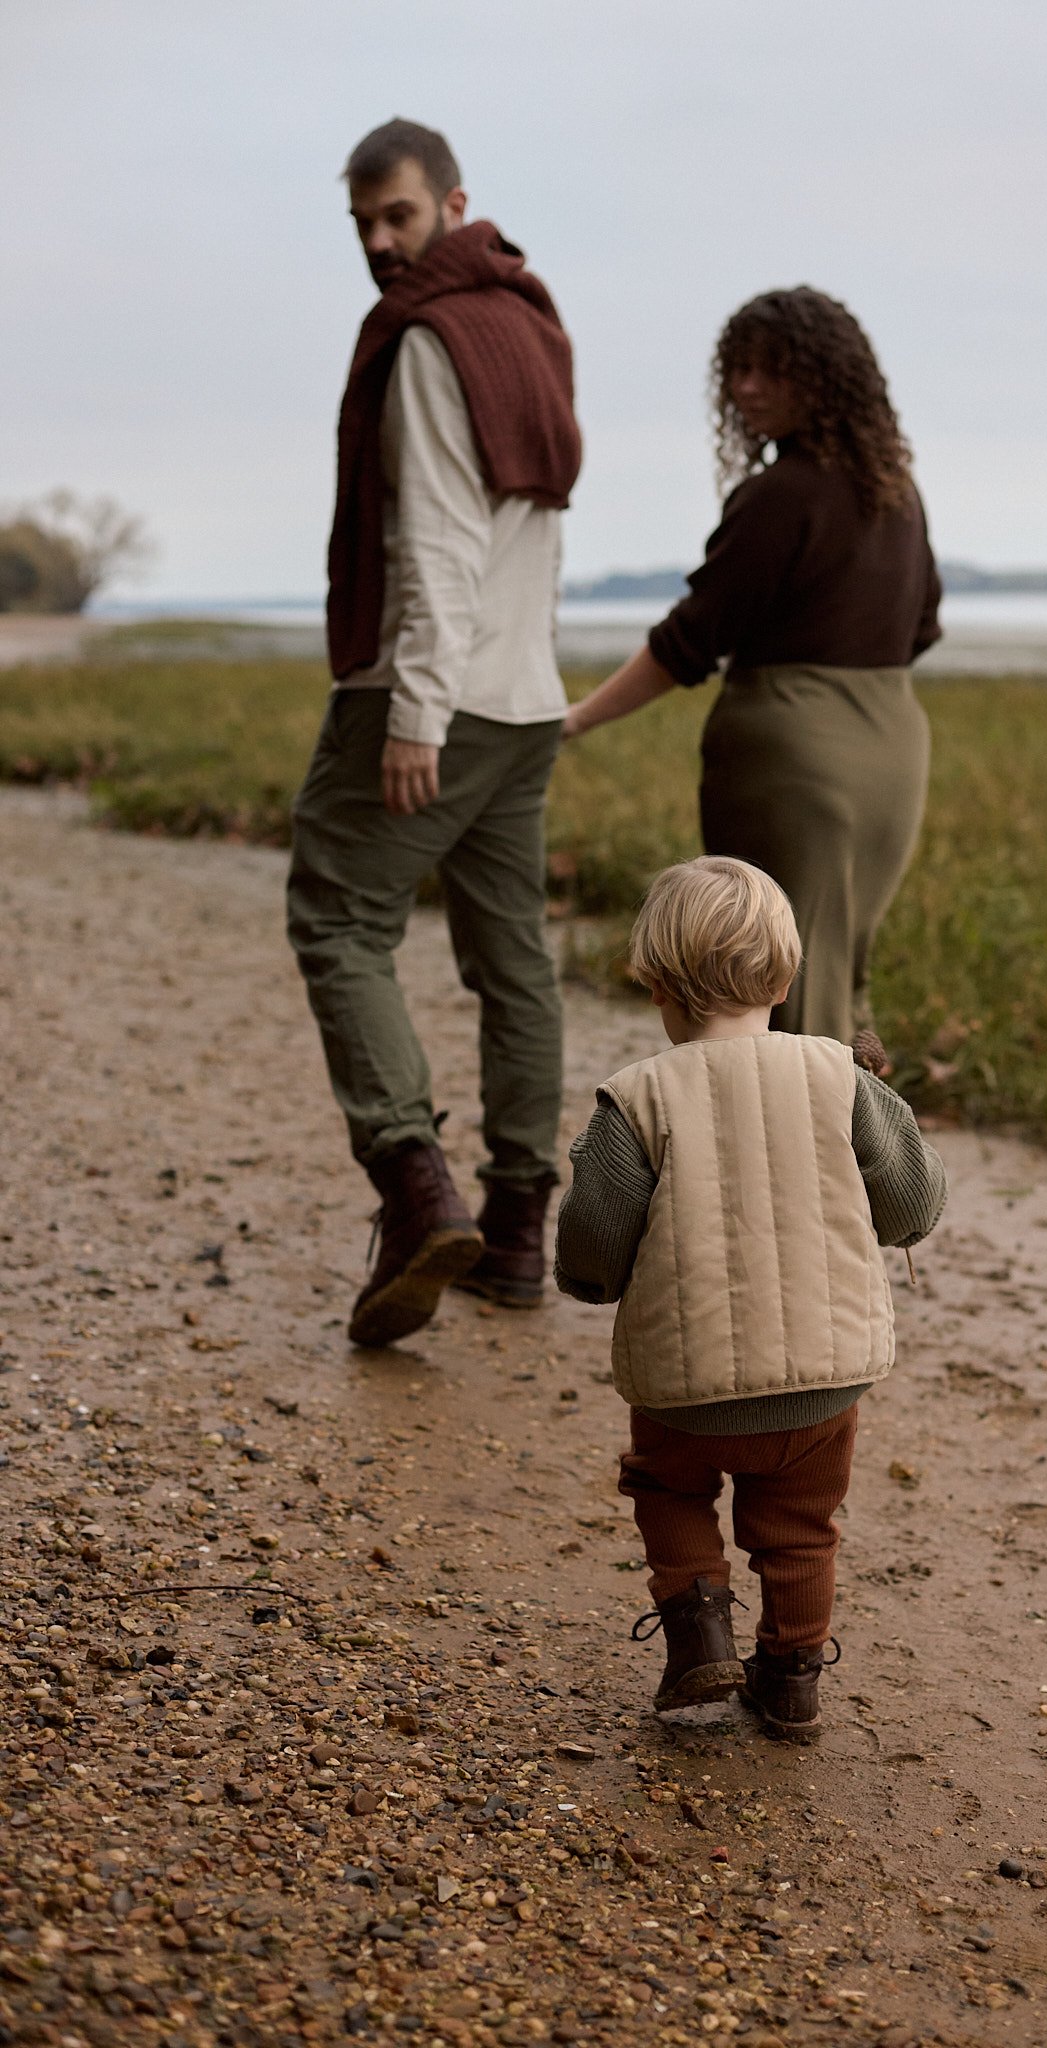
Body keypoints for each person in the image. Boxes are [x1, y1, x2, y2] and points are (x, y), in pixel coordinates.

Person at [287, 118, 581, 1349]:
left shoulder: (424, 337)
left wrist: (413, 710)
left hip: (441, 696)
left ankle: (415, 1188)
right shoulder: (529, 323)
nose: (377, 243)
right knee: (511, 957)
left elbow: (443, 543)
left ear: (454, 201)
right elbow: (536, 534)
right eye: (361, 224)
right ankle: (518, 1231)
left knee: (336, 916)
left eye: (397, 216)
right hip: (524, 698)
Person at [555, 857, 946, 1740]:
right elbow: (912, 1205)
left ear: (654, 980)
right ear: (788, 973)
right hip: (823, 1380)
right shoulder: (842, 1076)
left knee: (665, 1488)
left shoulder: (637, 1099)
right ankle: (792, 1681)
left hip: (684, 1394)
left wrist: (591, 1284)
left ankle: (698, 1635)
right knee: (802, 1526)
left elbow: (594, 1237)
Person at [562, 287, 942, 1048]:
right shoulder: (899, 495)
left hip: (793, 765)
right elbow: (922, 626)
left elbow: (688, 643)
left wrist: (575, 720)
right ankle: (867, 1156)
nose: (746, 387)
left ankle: (798, 1160)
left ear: (826, 378)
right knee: (841, 976)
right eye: (738, 370)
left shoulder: (779, 496)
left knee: (768, 988)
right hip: (894, 759)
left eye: (772, 370)